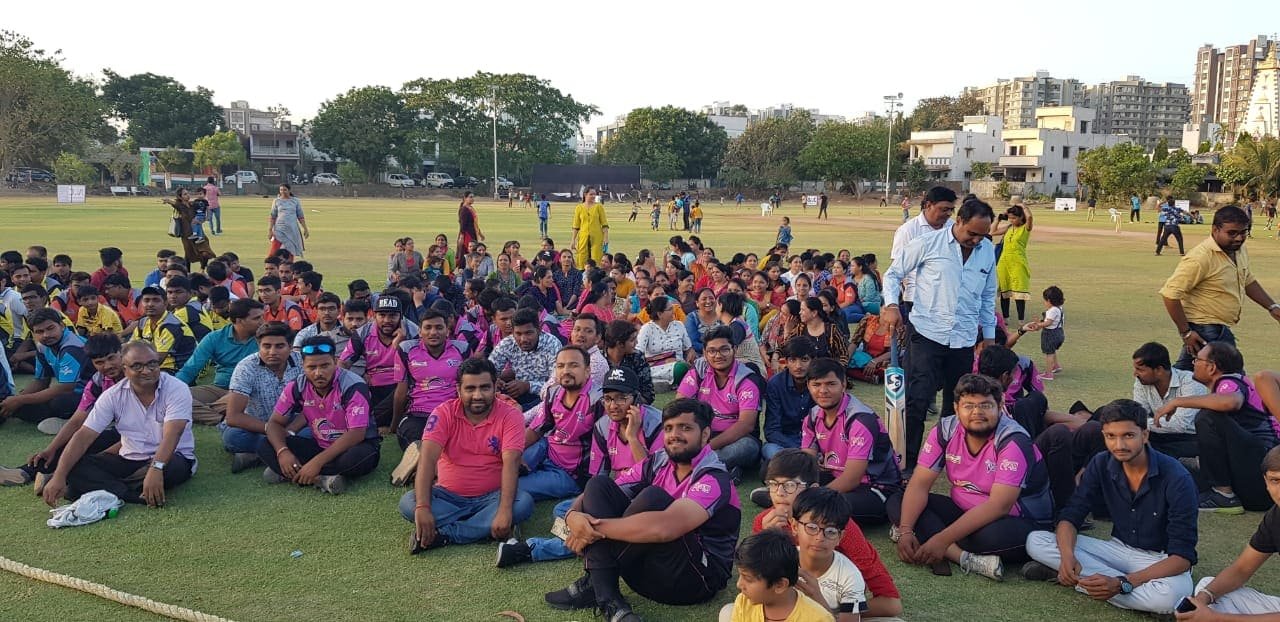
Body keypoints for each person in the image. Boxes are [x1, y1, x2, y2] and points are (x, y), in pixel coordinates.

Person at [544, 398, 739, 619]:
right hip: (646, 574)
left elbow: (665, 528)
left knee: (653, 498)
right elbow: (596, 493)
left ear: (705, 434)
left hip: (694, 581)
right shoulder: (659, 461)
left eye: (685, 428)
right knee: (599, 486)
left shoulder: (714, 477)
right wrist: (572, 517)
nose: (674, 435)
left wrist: (590, 529)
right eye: (668, 428)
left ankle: (598, 586)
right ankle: (604, 592)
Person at [1023, 399, 1197, 615]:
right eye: (1111, 436)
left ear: (1145, 435)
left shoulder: (1177, 478)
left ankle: (1085, 582)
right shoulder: (1101, 463)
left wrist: (1124, 582)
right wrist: (1067, 557)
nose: (1119, 445)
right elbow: (1071, 515)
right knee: (1036, 541)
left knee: (1169, 599)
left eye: (1128, 435)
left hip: (1160, 559)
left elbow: (1182, 558)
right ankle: (1107, 585)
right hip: (1116, 550)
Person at [887, 374, 1053, 580]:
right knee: (898, 499)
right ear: (956, 408)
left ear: (1000, 406)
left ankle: (936, 540)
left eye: (986, 405)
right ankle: (962, 557)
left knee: (987, 538)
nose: (977, 412)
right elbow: (919, 484)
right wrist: (905, 531)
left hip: (1016, 520)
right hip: (965, 511)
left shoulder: (1013, 440)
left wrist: (942, 539)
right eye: (969, 406)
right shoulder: (945, 430)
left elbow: (999, 506)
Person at [497, 366, 663, 568]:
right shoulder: (603, 426)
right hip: (619, 493)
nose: (613, 405)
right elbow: (597, 479)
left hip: (647, 501)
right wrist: (576, 512)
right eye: (608, 399)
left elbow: (654, 481)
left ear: (636, 399)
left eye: (622, 398)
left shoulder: (657, 424)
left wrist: (632, 437)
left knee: (593, 524)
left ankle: (531, 549)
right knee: (564, 510)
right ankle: (590, 538)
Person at [882, 197, 996, 466]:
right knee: (918, 400)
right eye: (972, 233)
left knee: (958, 403)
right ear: (959, 221)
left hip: (964, 338)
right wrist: (892, 305)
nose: (976, 240)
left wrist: (989, 335)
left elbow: (988, 294)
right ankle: (908, 461)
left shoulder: (987, 250)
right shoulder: (928, 243)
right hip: (926, 334)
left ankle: (949, 457)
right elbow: (893, 274)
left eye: (982, 235)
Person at [40, 341, 196, 507]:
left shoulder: (176, 388)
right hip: (130, 458)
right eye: (137, 366)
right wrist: (59, 476)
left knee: (171, 468)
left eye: (152, 364)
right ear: (125, 369)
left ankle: (99, 487)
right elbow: (83, 435)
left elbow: (173, 433)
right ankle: (131, 494)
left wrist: (156, 468)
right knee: (75, 466)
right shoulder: (112, 395)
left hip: (171, 457)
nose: (146, 371)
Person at [753, 450, 903, 620]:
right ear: (794, 527)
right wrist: (766, 542)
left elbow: (891, 603)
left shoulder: (838, 527)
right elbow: (757, 586)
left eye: (790, 485)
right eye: (773, 484)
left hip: (835, 604)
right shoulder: (765, 523)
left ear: (813, 489)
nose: (779, 493)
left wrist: (830, 612)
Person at [401, 357, 533, 549]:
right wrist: (422, 507)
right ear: (458, 389)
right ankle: (484, 525)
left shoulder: (511, 415)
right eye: (470, 389)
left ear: (495, 387)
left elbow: (511, 463)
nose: (477, 395)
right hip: (447, 496)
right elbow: (427, 460)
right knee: (409, 502)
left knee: (523, 503)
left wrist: (504, 510)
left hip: (493, 497)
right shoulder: (443, 413)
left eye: (485, 388)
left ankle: (445, 534)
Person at [1158, 342, 1278, 513]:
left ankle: (1223, 495)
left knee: (1208, 417)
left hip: (1263, 467)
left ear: (1212, 367)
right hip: (1256, 486)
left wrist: (1177, 401)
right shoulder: (1227, 387)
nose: (1193, 363)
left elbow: (1231, 402)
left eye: (1197, 359)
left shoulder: (1229, 381)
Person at [1160, 206, 1280, 370]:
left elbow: (1247, 280)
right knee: (1233, 378)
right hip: (1206, 329)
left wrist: (1272, 306)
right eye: (1232, 233)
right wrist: (1186, 332)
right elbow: (1170, 294)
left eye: (1243, 232)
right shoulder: (1200, 257)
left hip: (1218, 329)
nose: (1239, 238)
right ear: (1215, 230)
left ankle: (1155, 382)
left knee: (1190, 377)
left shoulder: (1238, 250)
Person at [257, 336, 381, 494]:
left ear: (335, 362)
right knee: (265, 444)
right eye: (311, 367)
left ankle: (293, 472)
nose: (318, 373)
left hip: (355, 445)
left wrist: (316, 463)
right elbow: (274, 423)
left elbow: (356, 434)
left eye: (325, 366)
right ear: (303, 366)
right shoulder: (296, 386)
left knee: (358, 457)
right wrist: (283, 452)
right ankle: (321, 479)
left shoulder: (353, 385)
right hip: (320, 446)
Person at [0, 333, 124, 490]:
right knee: (76, 443)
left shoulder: (137, 379)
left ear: (122, 353)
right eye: (99, 362)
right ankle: (27, 472)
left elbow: (146, 431)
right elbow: (77, 421)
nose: (107, 366)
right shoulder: (97, 382)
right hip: (121, 432)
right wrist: (50, 449)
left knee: (94, 460)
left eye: (111, 358)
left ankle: (62, 475)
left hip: (143, 438)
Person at [1179, 446, 1280, 618]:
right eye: (1275, 480)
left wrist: (1216, 619)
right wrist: (1201, 601)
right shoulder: (1275, 517)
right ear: (1266, 481)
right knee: (1209, 587)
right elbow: (1241, 569)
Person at [802, 357, 903, 527]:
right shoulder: (813, 415)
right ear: (808, 386)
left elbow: (852, 479)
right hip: (836, 476)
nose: (823, 390)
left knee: (825, 508)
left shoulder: (860, 420)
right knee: (782, 473)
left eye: (831, 384)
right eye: (816, 384)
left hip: (875, 488)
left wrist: (810, 497)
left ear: (843, 384)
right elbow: (806, 464)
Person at [389, 309, 466, 486]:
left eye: (439, 327)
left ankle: (422, 469)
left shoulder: (462, 349)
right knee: (415, 438)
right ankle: (434, 470)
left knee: (453, 442)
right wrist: (395, 424)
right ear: (419, 331)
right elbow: (401, 391)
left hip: (451, 413)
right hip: (418, 414)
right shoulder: (406, 349)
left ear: (447, 330)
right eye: (428, 327)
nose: (433, 332)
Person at [676, 326, 764, 477]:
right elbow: (679, 406)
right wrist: (697, 437)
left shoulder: (747, 379)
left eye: (724, 349)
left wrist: (707, 447)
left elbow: (746, 425)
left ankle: (695, 466)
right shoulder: (699, 371)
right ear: (705, 353)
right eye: (712, 351)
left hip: (736, 439)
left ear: (734, 349)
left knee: (747, 447)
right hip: (703, 434)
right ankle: (723, 468)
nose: (718, 355)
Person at [520, 346, 599, 503]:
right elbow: (536, 430)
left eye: (573, 365)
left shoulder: (598, 400)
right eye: (560, 366)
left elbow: (607, 446)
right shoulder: (554, 392)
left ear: (587, 371)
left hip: (571, 473)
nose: (565, 371)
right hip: (547, 449)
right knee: (502, 470)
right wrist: (514, 454)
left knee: (511, 485)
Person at [221, 322, 302, 473]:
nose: (272, 352)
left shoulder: (302, 363)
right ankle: (286, 451)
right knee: (232, 437)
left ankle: (257, 456)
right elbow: (233, 416)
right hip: (258, 427)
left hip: (294, 425)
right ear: (259, 345)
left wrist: (290, 430)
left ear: (290, 346)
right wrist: (271, 430)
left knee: (317, 431)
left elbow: (313, 405)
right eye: (266, 346)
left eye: (279, 346)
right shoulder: (246, 367)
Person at [0, 308, 93, 431]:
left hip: (94, 393)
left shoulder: (72, 347)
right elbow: (41, 381)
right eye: (39, 331)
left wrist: (19, 400)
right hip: (73, 393)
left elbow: (66, 387)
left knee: (60, 402)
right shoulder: (43, 347)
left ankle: (78, 421)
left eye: (50, 328)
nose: (46, 335)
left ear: (62, 325)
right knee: (18, 404)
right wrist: (14, 401)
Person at [175, 298, 263, 425]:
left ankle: (206, 412)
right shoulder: (215, 338)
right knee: (177, 397)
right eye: (257, 318)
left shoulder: (264, 339)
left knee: (251, 400)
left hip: (247, 391)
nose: (262, 321)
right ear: (239, 320)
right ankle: (222, 418)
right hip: (218, 388)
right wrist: (171, 389)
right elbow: (190, 368)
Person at [720, 529, 835, 622]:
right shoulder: (744, 602)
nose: (739, 584)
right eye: (740, 575)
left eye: (748, 579)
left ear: (780, 585)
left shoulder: (819, 619)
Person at [887, 186, 956, 322]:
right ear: (928, 205)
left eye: (951, 210)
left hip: (948, 299)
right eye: (944, 209)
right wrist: (893, 303)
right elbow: (896, 269)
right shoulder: (908, 230)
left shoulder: (953, 228)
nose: (949, 213)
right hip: (917, 299)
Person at [760, 338, 818, 481]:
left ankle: (787, 474)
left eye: (804, 359)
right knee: (770, 450)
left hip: (816, 442)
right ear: (785, 361)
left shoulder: (819, 383)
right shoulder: (776, 384)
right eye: (792, 360)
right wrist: (800, 451)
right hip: (785, 443)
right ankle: (804, 471)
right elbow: (772, 430)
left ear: (813, 360)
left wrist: (810, 449)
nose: (798, 366)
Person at [488, 308, 560, 410]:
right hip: (515, 395)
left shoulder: (552, 344)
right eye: (518, 334)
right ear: (512, 332)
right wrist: (495, 381)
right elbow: (489, 369)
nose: (523, 339)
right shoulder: (508, 343)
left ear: (539, 329)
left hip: (542, 398)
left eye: (528, 333)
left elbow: (556, 384)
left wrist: (528, 386)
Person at [130, 286, 196, 373]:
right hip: (159, 366)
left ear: (165, 303)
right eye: (146, 300)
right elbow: (131, 347)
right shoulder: (143, 322)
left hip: (179, 370)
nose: (150, 304)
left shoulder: (171, 325)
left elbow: (158, 360)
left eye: (156, 300)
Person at [993, 204, 1034, 321]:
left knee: (1019, 292)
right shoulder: (1009, 228)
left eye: (1014, 218)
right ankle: (1005, 318)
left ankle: (1021, 320)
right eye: (1010, 218)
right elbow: (992, 231)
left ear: (1021, 217)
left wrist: (1022, 206)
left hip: (1018, 263)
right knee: (1004, 291)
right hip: (1004, 263)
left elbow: (1029, 217)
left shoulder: (1025, 228)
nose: (1011, 220)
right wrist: (999, 219)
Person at [1018, 285, 1066, 380]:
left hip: (1051, 334)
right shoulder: (1059, 308)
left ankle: (1048, 374)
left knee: (1049, 353)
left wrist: (1038, 325)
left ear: (1049, 300)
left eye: (1045, 301)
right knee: (1052, 350)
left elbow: (1048, 323)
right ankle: (1055, 365)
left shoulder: (1052, 310)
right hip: (1059, 332)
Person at [602, 319, 654, 404]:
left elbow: (648, 395)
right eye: (632, 340)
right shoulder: (598, 361)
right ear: (620, 344)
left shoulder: (637, 357)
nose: (636, 342)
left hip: (634, 406)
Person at [571, 187, 610, 264]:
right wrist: (573, 240)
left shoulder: (599, 207)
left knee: (597, 258)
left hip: (597, 237)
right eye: (591, 194)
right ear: (585, 194)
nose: (593, 196)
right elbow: (576, 226)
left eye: (594, 194)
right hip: (583, 238)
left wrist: (606, 238)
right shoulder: (579, 208)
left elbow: (604, 224)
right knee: (582, 259)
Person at [268, 184, 308, 258]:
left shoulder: (295, 201)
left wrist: (305, 228)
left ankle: (289, 264)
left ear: (289, 190)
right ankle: (271, 263)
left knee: (290, 250)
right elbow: (273, 216)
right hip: (279, 229)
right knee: (274, 250)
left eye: (285, 190)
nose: (283, 192)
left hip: (292, 229)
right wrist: (270, 230)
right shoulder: (276, 201)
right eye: (281, 190)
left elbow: (300, 216)